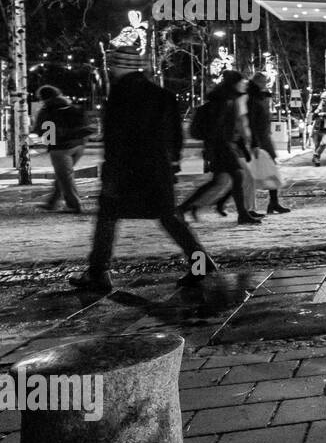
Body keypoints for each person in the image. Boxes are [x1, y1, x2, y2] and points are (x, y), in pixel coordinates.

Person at [69, 45, 213, 292]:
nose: (110, 70)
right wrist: (173, 161)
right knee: (169, 217)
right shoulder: (162, 94)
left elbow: (116, 137)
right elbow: (176, 134)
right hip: (157, 168)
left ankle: (98, 273)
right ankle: (200, 263)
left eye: (112, 65)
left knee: (107, 218)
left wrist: (111, 169)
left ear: (117, 66)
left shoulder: (119, 95)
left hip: (126, 170)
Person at [179, 70, 262, 224]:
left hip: (221, 146)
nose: (244, 84)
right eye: (241, 82)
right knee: (237, 176)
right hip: (221, 146)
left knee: (220, 181)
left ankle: (183, 208)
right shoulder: (224, 101)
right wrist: (219, 147)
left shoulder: (227, 99)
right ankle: (242, 214)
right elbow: (219, 128)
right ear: (234, 84)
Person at [32, 85, 92, 213]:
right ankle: (52, 202)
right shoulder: (70, 106)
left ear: (43, 98)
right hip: (79, 146)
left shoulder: (46, 110)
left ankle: (74, 205)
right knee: (63, 176)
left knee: (65, 178)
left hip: (60, 149)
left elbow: (40, 130)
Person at [246, 72, 290, 215]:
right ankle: (251, 206)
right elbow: (252, 122)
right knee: (252, 173)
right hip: (259, 139)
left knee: (271, 170)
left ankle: (273, 202)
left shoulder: (261, 97)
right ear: (257, 82)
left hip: (264, 137)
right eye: (263, 81)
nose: (266, 83)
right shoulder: (253, 98)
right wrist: (255, 142)